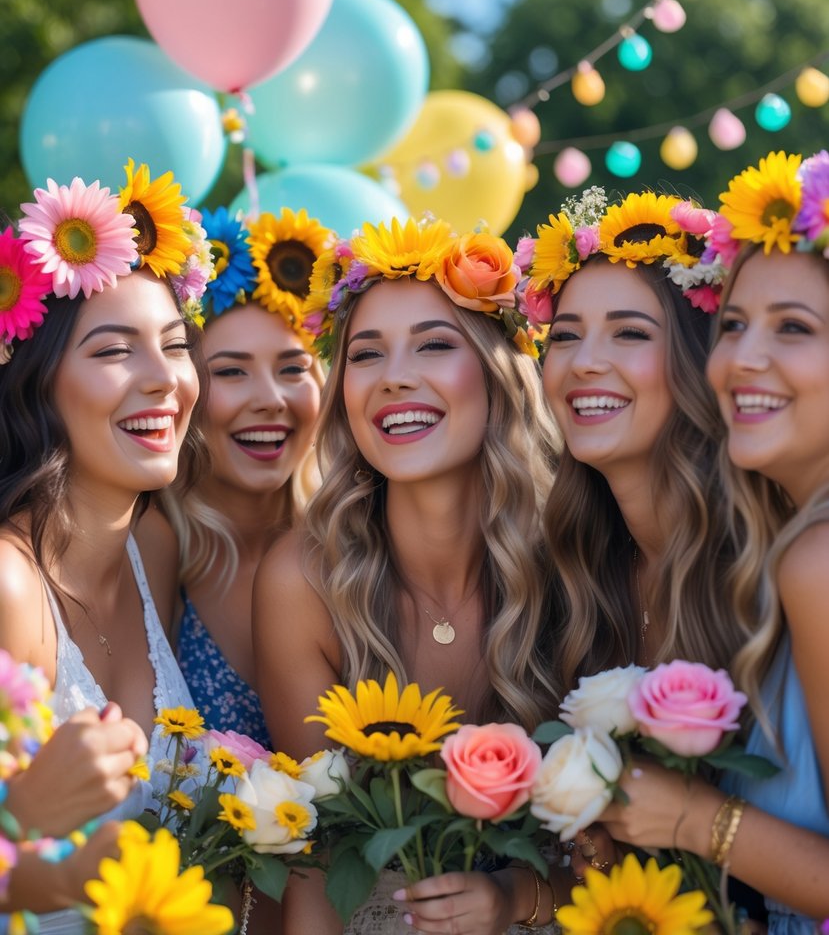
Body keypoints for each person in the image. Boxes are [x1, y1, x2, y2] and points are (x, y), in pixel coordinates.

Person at [254, 218, 561, 935]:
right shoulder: (301, 582)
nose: (395, 375)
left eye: (433, 344)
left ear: (497, 371)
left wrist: (516, 901)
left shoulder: (573, 558)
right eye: (366, 354)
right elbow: (315, 851)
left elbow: (622, 850)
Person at [596, 151, 829, 929]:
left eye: (792, 328)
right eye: (732, 325)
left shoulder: (816, 561)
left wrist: (693, 820)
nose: (741, 359)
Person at [0, 163, 209, 924]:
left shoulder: (154, 550)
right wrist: (21, 817)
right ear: (38, 382)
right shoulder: (8, 588)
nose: (164, 380)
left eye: (176, 345)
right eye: (115, 350)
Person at [522, 186, 745, 883]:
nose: (584, 362)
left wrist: (694, 821)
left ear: (696, 362)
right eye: (563, 336)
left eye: (629, 332)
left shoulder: (766, 567)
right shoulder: (579, 572)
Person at [157, 205, 329, 747]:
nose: (271, 399)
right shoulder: (150, 551)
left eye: (292, 369)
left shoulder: (359, 542)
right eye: (230, 371)